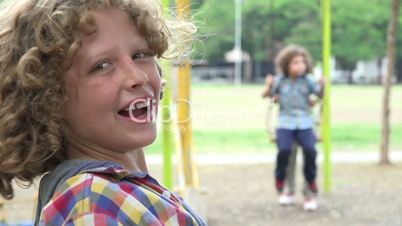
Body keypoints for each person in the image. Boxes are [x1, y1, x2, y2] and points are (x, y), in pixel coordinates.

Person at [0, 0, 205, 225]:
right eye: (102, 66)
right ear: (50, 98)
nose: (138, 77)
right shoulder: (94, 208)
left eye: (140, 54)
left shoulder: (116, 194)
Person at [262, 45, 324, 211]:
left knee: (310, 151)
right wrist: (269, 87)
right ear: (286, 65)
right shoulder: (280, 80)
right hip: (285, 123)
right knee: (285, 152)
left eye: (302, 62)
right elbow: (265, 95)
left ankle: (309, 190)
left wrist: (322, 86)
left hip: (305, 122)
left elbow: (320, 94)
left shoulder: (308, 80)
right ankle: (284, 186)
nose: (300, 66)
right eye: (296, 63)